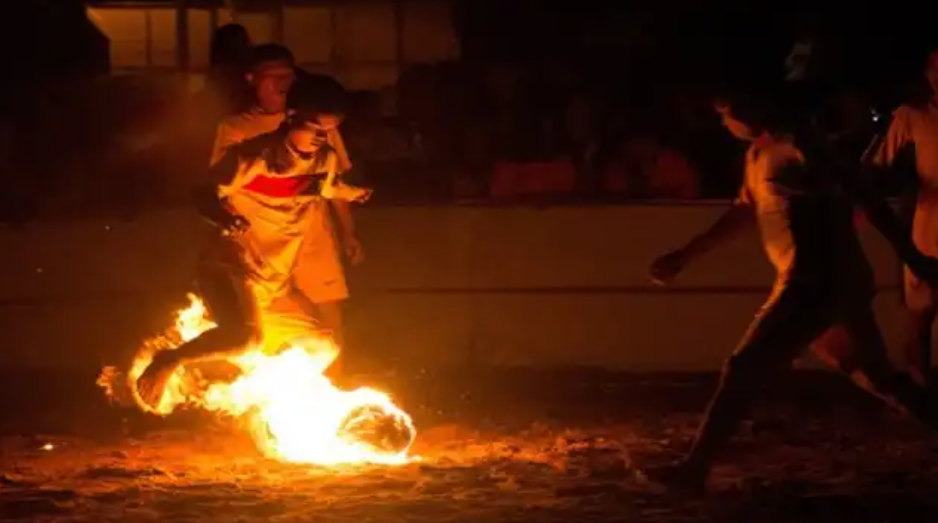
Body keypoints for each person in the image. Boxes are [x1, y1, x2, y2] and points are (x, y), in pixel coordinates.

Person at [644, 86, 938, 494]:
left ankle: (694, 469)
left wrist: (911, 253)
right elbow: (747, 210)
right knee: (876, 375)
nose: (724, 123)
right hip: (834, 280)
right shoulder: (760, 155)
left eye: (725, 113)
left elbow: (861, 192)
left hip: (813, 283)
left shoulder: (799, 146)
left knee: (745, 367)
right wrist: (686, 255)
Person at [136, 45, 368, 409]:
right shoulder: (250, 159)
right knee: (245, 341)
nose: (322, 138)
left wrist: (349, 193)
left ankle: (261, 406)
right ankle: (169, 361)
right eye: (315, 129)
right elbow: (201, 193)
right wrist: (223, 217)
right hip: (232, 269)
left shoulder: (323, 158)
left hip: (274, 282)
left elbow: (322, 186)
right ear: (291, 116)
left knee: (324, 347)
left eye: (330, 131)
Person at [208, 44, 364, 375]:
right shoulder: (239, 131)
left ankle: (330, 387)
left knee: (327, 312)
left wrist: (348, 232)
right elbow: (214, 189)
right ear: (251, 79)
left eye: (288, 75)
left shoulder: (321, 120)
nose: (282, 83)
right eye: (273, 76)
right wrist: (225, 223)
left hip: (310, 230)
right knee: (255, 322)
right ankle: (245, 390)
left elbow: (332, 182)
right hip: (260, 240)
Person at [865, 47, 938, 387]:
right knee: (921, 311)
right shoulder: (913, 115)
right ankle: (922, 387)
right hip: (931, 226)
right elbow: (877, 165)